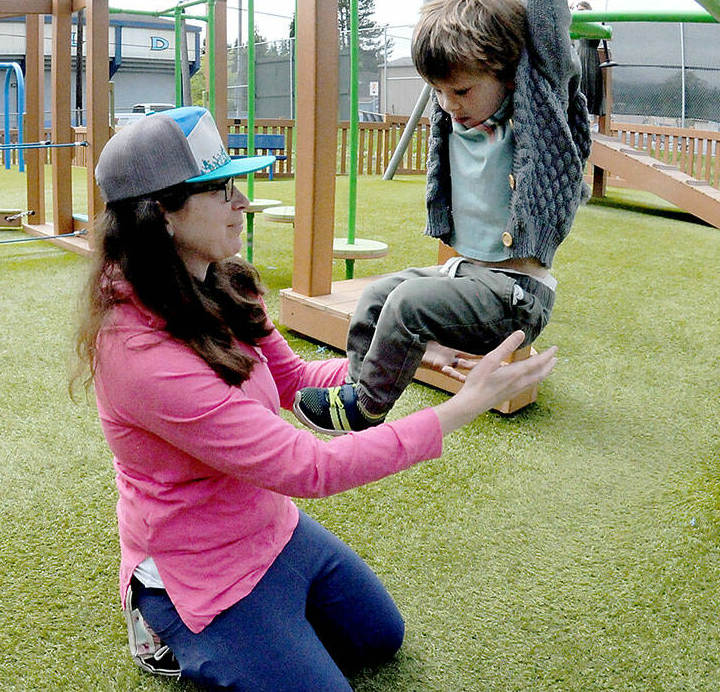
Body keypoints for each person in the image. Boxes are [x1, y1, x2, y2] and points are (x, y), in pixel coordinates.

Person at [75, 105, 557, 692]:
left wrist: (410, 355)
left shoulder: (222, 284)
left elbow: (293, 378)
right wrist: (459, 408)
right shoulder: (138, 356)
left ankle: (272, 627)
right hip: (199, 570)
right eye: (221, 189)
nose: (242, 202)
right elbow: (309, 467)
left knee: (380, 637)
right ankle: (159, 618)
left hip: (268, 526)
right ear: (162, 216)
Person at [294, 0, 590, 435]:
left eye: (461, 90)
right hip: (467, 277)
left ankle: (368, 406)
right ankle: (358, 388)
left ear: (507, 71)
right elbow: (439, 18)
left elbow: (548, 25)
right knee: (377, 294)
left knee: (408, 302)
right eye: (439, 92)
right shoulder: (455, 112)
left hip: (515, 298)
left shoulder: (534, 110)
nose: (450, 105)